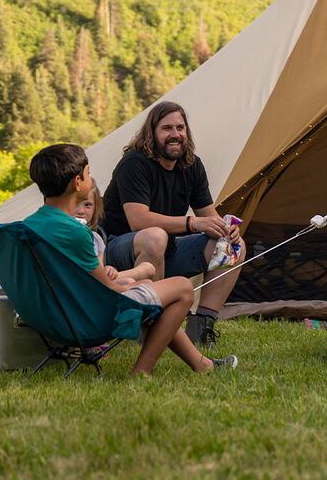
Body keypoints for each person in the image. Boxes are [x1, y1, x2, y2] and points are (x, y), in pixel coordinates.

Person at [25, 144, 237, 376]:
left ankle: (202, 364)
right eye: (87, 173)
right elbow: (106, 288)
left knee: (149, 288)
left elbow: (84, 280)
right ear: (78, 182)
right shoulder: (77, 233)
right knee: (182, 288)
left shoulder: (28, 226)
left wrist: (139, 283)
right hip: (85, 319)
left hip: (46, 315)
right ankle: (142, 371)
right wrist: (137, 276)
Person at [102, 101, 245, 346]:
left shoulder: (191, 165)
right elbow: (138, 221)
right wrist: (193, 223)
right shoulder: (135, 163)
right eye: (167, 128)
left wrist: (227, 228)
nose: (175, 134)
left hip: (161, 251)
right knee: (155, 235)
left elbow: (209, 217)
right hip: (116, 252)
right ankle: (153, 327)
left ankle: (201, 328)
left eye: (180, 127)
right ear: (152, 133)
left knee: (233, 245)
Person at [74, 181, 155, 287]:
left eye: (87, 205)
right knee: (133, 280)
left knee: (146, 276)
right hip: (83, 286)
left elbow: (100, 269)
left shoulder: (96, 239)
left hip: (98, 283)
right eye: (75, 204)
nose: (81, 211)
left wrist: (109, 270)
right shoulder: (63, 235)